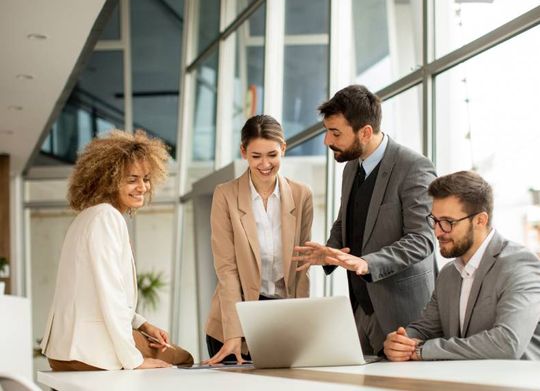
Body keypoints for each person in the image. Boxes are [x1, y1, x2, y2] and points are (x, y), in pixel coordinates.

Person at [294, 85, 436, 355]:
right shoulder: (351, 167)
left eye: (335, 133)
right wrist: (329, 251)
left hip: (404, 315)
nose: (327, 141)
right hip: (361, 309)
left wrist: (367, 263)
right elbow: (345, 220)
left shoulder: (413, 167)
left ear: (366, 132)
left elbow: (422, 240)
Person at [41, 130, 193, 371]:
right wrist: (135, 361)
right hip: (89, 352)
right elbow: (109, 293)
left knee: (172, 353)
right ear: (108, 180)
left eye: (145, 178)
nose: (142, 187)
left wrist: (142, 325)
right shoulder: (106, 217)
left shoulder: (87, 217)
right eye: (132, 179)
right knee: (183, 358)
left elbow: (93, 292)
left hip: (64, 350)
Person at [384, 171, 540, 361]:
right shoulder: (449, 273)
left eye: (448, 222)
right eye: (434, 220)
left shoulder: (520, 265)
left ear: (480, 220)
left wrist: (422, 350)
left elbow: (507, 343)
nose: (438, 232)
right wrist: (400, 342)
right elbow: (425, 328)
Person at [204, 115, 313, 364]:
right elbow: (226, 269)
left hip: (281, 317)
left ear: (283, 149)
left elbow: (302, 266)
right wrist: (234, 333)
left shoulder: (301, 194)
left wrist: (303, 326)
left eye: (272, 155)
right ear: (243, 152)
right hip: (234, 320)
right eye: (256, 156)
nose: (265, 164)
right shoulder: (225, 195)